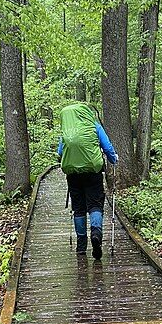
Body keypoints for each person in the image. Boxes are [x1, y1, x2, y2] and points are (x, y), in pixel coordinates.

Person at [57, 102, 118, 260]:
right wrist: (113, 159)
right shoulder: (94, 126)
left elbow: (59, 152)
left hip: (73, 175)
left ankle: (81, 245)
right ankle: (96, 233)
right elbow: (107, 147)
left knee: (78, 208)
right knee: (95, 204)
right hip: (93, 172)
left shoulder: (68, 131)